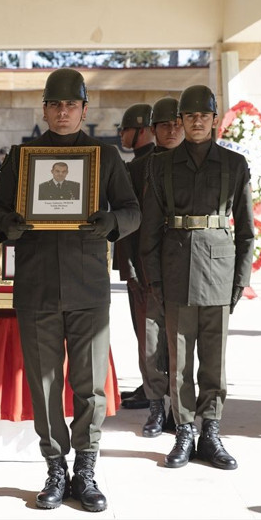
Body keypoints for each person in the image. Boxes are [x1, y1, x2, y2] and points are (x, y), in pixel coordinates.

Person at [0, 68, 140, 512]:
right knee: (45, 385)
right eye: (56, 104)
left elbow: (132, 211)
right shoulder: (22, 157)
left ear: (85, 110)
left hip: (88, 286)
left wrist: (112, 223)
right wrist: (7, 224)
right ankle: (55, 467)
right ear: (45, 109)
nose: (64, 111)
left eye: (72, 105)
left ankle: (86, 470)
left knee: (89, 387)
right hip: (36, 287)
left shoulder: (104, 158)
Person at [139, 85, 254, 471]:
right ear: (182, 120)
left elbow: (247, 232)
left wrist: (240, 280)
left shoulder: (235, 165)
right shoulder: (161, 166)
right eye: (190, 116)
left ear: (215, 120)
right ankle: (185, 431)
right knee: (180, 359)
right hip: (176, 269)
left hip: (220, 270)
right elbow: (150, 231)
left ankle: (211, 431)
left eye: (204, 115)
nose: (197, 122)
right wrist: (153, 280)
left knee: (215, 361)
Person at [112, 102, 171, 438]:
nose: (122, 135)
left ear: (144, 129)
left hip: (147, 268)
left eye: (127, 129)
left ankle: (157, 397)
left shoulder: (146, 166)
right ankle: (151, 391)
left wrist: (133, 268)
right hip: (140, 266)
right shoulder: (138, 164)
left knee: (151, 335)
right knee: (146, 335)